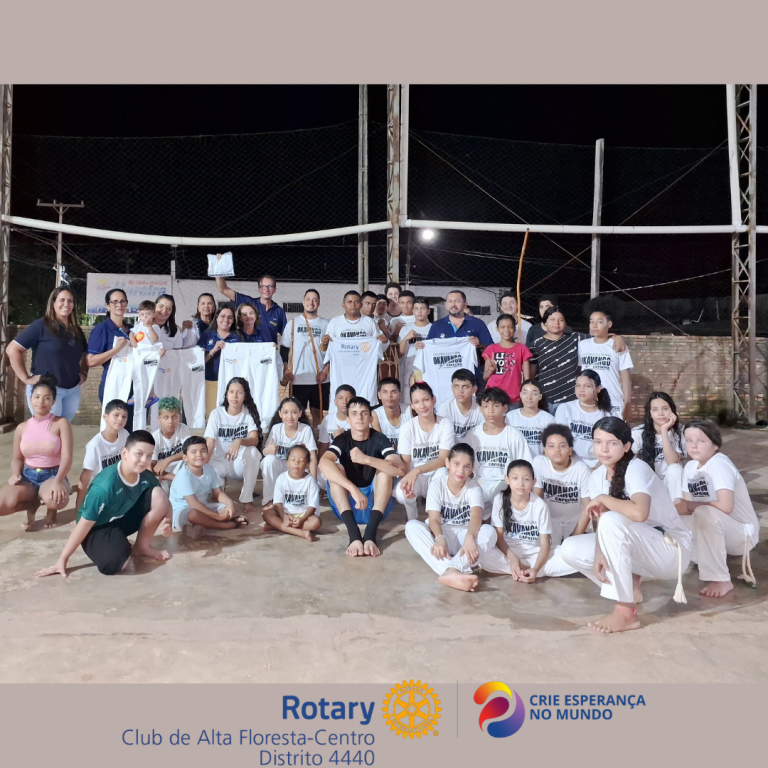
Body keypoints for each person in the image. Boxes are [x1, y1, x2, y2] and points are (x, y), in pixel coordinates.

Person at [560, 417, 692, 633]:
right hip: (644, 546)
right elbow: (601, 523)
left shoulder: (636, 468)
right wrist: (600, 552)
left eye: (612, 443)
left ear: (626, 446)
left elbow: (639, 513)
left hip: (672, 550)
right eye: (598, 442)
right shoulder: (596, 476)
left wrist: (603, 498)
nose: (603, 449)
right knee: (570, 548)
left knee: (612, 520)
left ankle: (625, 612)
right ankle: (630, 590)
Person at [35, 430, 173, 578]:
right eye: (139, 454)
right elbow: (83, 524)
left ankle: (142, 547)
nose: (144, 460)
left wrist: (168, 521)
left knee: (159, 495)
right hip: (96, 528)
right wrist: (62, 560)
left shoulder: (145, 476)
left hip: (121, 518)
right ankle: (117, 543)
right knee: (115, 563)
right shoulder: (105, 486)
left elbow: (166, 502)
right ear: (124, 454)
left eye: (149, 455)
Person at [681, 419, 759, 598]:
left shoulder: (719, 464)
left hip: (742, 534)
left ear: (715, 444)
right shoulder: (690, 467)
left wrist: (691, 506)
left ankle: (720, 578)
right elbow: (686, 505)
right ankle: (703, 559)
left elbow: (725, 506)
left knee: (704, 512)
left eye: (701, 441)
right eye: (689, 440)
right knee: (674, 518)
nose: (693, 446)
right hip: (719, 527)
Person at [319, 396, 405, 557]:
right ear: (348, 420)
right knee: (335, 468)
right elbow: (323, 463)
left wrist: (366, 459)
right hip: (347, 506)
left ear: (371, 418)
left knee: (385, 470)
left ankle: (370, 535)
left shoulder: (379, 438)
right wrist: (353, 489)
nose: (359, 417)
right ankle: (354, 536)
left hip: (376, 507)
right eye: (354, 413)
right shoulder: (343, 439)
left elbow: (399, 469)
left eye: (364, 413)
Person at [405, 443, 496, 592]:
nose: (460, 470)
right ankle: (455, 570)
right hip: (443, 536)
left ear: (472, 469)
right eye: (456, 464)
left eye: (466, 466)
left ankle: (451, 570)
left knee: (489, 531)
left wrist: (470, 538)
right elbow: (434, 519)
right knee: (411, 526)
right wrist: (439, 538)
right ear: (447, 463)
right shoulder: (437, 485)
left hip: (465, 539)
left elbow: (476, 516)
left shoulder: (474, 487)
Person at [479, 459, 578, 581]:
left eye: (526, 479)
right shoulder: (499, 500)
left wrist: (535, 568)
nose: (520, 483)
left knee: (570, 557)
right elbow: (499, 539)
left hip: (535, 553)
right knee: (485, 558)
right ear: (507, 479)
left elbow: (545, 544)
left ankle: (524, 570)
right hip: (509, 552)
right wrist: (513, 559)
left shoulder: (540, 505)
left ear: (533, 482)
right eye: (515, 478)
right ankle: (521, 568)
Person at [0, 376, 73, 530]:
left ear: (53, 402)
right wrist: (16, 474)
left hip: (53, 474)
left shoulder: (60, 423)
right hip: (28, 477)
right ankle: (32, 504)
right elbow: (17, 458)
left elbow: (67, 457)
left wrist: (59, 481)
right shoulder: (21, 428)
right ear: (30, 399)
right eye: (37, 397)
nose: (41, 401)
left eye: (47, 398)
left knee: (56, 499)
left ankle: (51, 512)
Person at [7, 286, 88, 422]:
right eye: (62, 300)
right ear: (53, 303)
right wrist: (26, 378)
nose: (66, 304)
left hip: (72, 390)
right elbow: (12, 349)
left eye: (70, 301)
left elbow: (84, 354)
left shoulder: (76, 330)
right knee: (48, 431)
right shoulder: (41, 326)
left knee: (63, 429)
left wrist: (84, 372)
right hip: (47, 390)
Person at [466, 387, 532, 519]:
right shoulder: (473, 434)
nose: (490, 410)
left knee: (500, 499)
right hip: (479, 482)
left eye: (496, 406)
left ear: (505, 408)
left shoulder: (514, 435)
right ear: (480, 408)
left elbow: (525, 465)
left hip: (504, 482)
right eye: (485, 406)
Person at [395, 382, 454, 520]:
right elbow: (405, 462)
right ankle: (412, 518)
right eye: (416, 402)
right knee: (402, 493)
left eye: (426, 400)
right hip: (414, 476)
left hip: (434, 473)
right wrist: (410, 478)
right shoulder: (408, 427)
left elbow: (443, 459)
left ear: (434, 400)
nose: (422, 406)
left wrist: (417, 470)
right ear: (412, 406)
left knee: (444, 474)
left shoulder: (445, 424)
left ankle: (435, 519)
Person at [204, 377, 262, 514]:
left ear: (245, 396)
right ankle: (218, 494)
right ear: (226, 394)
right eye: (231, 392)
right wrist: (202, 465)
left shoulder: (248, 413)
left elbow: (254, 440)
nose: (234, 396)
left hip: (239, 464)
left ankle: (247, 499)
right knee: (206, 463)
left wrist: (239, 441)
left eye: (239, 392)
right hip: (219, 462)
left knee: (253, 452)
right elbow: (210, 443)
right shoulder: (216, 414)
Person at [169, 436, 247, 536]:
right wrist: (217, 516)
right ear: (185, 458)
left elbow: (218, 493)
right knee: (194, 514)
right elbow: (193, 504)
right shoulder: (183, 475)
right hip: (183, 512)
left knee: (233, 506)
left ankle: (200, 526)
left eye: (203, 451)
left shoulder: (209, 469)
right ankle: (224, 525)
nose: (199, 455)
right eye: (193, 452)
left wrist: (229, 503)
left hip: (204, 506)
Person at [532, 424, 592, 546]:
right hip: (550, 520)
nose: (557, 450)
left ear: (570, 450)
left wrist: (576, 534)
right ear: (545, 450)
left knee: (572, 550)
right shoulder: (539, 462)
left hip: (576, 521)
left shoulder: (581, 469)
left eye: (562, 445)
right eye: (551, 446)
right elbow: (536, 497)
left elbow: (587, 506)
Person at [280, 288, 329, 426]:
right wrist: (286, 370)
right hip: (298, 378)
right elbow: (284, 349)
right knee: (297, 416)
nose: (311, 302)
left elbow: (332, 352)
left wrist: (325, 371)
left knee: (318, 415)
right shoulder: (293, 323)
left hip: (320, 378)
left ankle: (318, 438)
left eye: (314, 300)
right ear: (303, 302)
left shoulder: (326, 324)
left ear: (319, 303)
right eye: (308, 299)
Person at [260, 396, 318, 511]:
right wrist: (267, 450)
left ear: (300, 413)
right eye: (285, 412)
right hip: (281, 467)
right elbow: (265, 453)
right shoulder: (276, 429)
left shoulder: (305, 429)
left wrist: (313, 482)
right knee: (269, 460)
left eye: (294, 412)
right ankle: (269, 499)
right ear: (280, 414)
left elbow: (312, 457)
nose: (290, 416)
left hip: (298, 468)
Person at [578, 299, 633, 419]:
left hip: (613, 401)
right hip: (589, 401)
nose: (594, 325)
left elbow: (625, 377)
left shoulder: (618, 345)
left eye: (599, 322)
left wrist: (627, 403)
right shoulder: (582, 345)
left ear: (609, 324)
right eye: (591, 322)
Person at [631, 392, 685, 505]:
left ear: (672, 410)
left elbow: (672, 462)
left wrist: (664, 431)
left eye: (665, 408)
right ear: (650, 413)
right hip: (648, 482)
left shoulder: (680, 432)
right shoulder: (638, 433)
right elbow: (631, 463)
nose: (660, 413)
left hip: (670, 482)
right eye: (655, 409)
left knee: (675, 468)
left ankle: (677, 508)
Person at [86, 288, 133, 422]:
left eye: (122, 301)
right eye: (115, 302)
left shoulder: (132, 329)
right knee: (114, 426)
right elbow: (90, 361)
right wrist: (117, 349)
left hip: (132, 386)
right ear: (108, 306)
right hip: (113, 385)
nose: (119, 305)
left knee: (132, 427)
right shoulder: (102, 329)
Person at [427, 290, 493, 383]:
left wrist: (480, 345)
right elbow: (429, 351)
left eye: (457, 301)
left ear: (465, 305)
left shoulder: (478, 324)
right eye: (450, 301)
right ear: (446, 305)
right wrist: (421, 346)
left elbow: (491, 351)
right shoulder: (437, 325)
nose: (453, 304)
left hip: (472, 378)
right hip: (443, 378)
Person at [262, 445, 322, 541]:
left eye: (301, 461)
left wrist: (302, 519)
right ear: (287, 463)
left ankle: (277, 526)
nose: (296, 463)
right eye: (293, 460)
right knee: (266, 514)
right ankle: (300, 532)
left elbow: (312, 506)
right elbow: (278, 503)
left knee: (316, 523)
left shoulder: (310, 481)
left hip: (304, 515)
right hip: (285, 513)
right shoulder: (281, 478)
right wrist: (284, 517)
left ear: (307, 465)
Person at [77, 399, 129, 510]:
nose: (120, 419)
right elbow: (85, 476)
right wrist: (79, 507)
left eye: (124, 416)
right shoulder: (95, 445)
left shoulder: (125, 435)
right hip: (101, 488)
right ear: (105, 417)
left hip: (119, 485)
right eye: (116, 415)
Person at [554, 370, 613, 468]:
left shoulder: (608, 414)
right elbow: (561, 441)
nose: (581, 390)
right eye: (578, 386)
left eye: (587, 386)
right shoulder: (565, 408)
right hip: (571, 463)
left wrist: (596, 468)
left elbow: (611, 446)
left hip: (600, 464)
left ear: (598, 389)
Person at [214, 272, 286, 343]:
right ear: (259, 289)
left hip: (269, 350)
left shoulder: (279, 311)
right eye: (263, 286)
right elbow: (222, 289)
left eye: (270, 286)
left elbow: (285, 336)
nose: (266, 289)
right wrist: (218, 269)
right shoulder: (249, 303)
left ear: (274, 290)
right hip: (248, 348)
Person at [197, 305, 239, 418]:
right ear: (217, 317)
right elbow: (199, 362)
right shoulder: (207, 335)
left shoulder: (238, 337)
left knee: (229, 416)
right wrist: (213, 350)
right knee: (211, 416)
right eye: (223, 316)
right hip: (211, 381)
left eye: (230, 317)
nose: (226, 320)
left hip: (230, 384)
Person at [482, 313, 532, 406]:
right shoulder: (491, 349)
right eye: (503, 327)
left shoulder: (522, 349)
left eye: (510, 327)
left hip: (514, 397)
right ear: (497, 329)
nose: (506, 330)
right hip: (493, 397)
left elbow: (527, 378)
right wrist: (491, 370)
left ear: (514, 329)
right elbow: (485, 376)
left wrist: (525, 394)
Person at [505, 379, 554, 458]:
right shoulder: (510, 416)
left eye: (534, 393)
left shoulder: (548, 419)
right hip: (515, 463)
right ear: (520, 395)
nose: (529, 397)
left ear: (540, 396)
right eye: (525, 392)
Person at [151, 397, 191, 492]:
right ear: (159, 418)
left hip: (180, 469)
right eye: (166, 417)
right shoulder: (154, 438)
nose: (170, 421)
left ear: (179, 417)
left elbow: (189, 451)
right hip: (163, 474)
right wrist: (174, 477)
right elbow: (152, 467)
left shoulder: (182, 429)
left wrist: (168, 460)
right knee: (160, 491)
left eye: (174, 417)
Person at [397, 296, 432, 400]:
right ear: (413, 311)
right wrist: (406, 339)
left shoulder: (434, 328)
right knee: (409, 402)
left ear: (428, 311)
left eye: (422, 308)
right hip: (409, 372)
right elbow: (399, 354)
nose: (419, 311)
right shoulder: (405, 329)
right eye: (416, 308)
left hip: (428, 372)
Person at [437, 369, 484, 440]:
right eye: (456, 386)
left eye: (465, 387)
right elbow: (442, 438)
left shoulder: (481, 407)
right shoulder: (445, 408)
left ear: (474, 389)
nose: (460, 391)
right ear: (452, 388)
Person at [371, 377, 412, 452]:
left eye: (393, 392)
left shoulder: (410, 410)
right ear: (379, 395)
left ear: (400, 394)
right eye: (385, 392)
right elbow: (380, 445)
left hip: (409, 454)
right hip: (387, 456)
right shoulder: (375, 415)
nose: (389, 395)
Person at [317, 385, 355, 459]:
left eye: (349, 399)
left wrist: (343, 437)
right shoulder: (327, 420)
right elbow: (323, 446)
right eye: (340, 398)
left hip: (352, 460)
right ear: (335, 401)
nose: (344, 402)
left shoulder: (359, 420)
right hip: (332, 460)